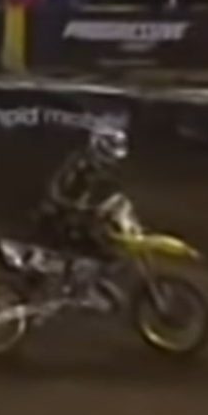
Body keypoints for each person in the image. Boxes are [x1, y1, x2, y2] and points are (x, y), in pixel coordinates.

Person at [35, 126, 129, 310]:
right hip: (57, 215)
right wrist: (80, 208)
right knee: (99, 250)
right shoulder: (79, 165)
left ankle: (82, 284)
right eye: (110, 151)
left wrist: (112, 206)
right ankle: (80, 291)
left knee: (107, 248)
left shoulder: (97, 167)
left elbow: (103, 194)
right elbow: (57, 189)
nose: (113, 158)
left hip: (73, 214)